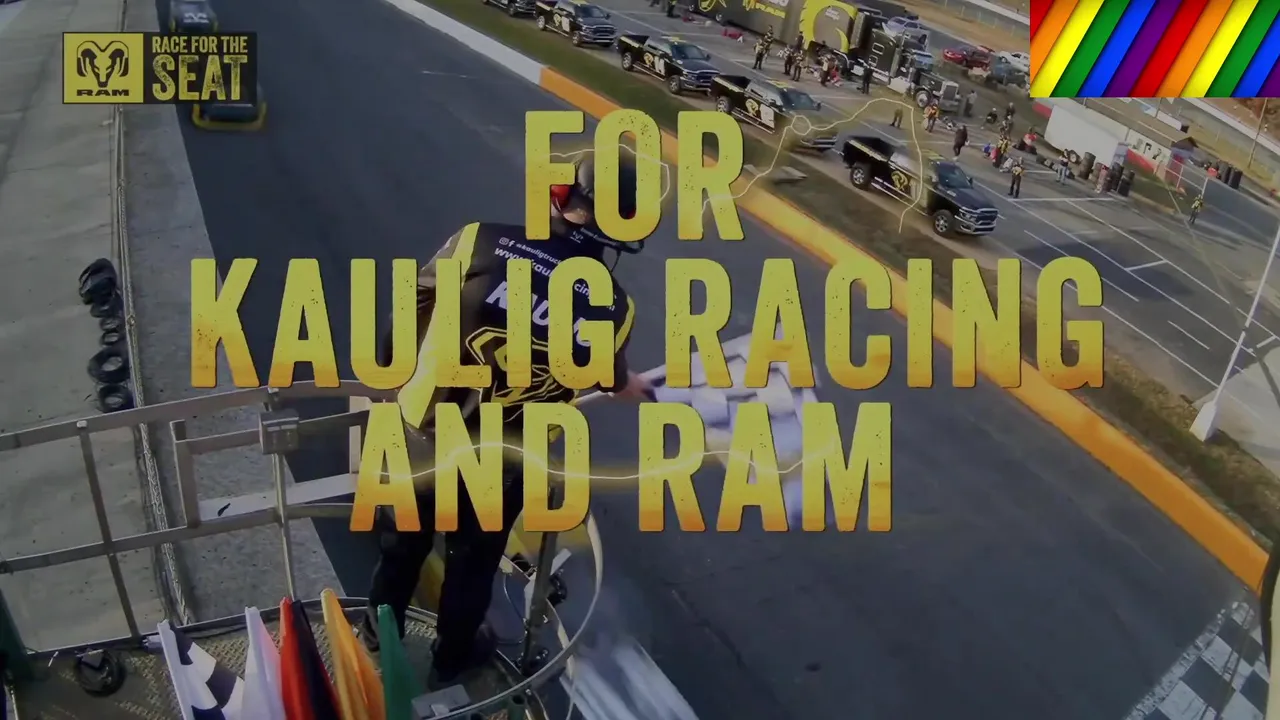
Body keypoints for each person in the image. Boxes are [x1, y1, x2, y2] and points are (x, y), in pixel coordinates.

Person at [361, 155, 654, 688]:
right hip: (504, 463)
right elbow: (607, 371)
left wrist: (393, 364)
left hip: (422, 432)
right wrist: (622, 383)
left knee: (400, 546)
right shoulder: (615, 307)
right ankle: (451, 660)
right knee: (472, 568)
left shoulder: (478, 240)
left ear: (560, 197)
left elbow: (411, 304)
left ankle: (377, 637)